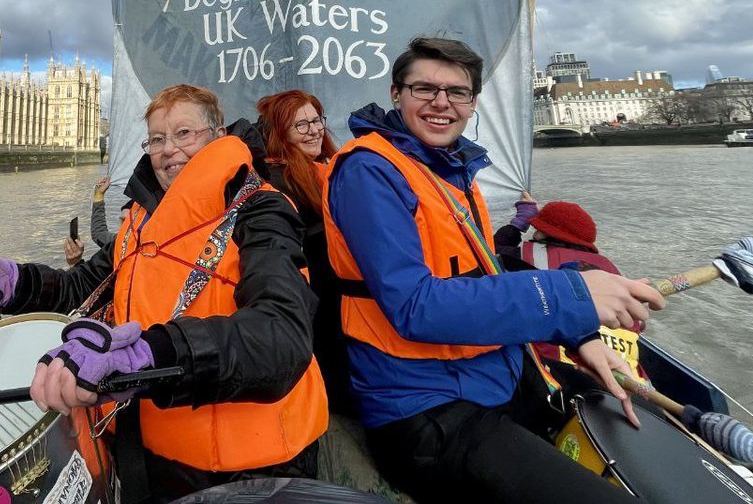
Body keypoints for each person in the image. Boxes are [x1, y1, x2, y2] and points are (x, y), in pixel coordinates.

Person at [322, 36, 666, 503]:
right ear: (395, 94)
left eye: (457, 92)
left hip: (490, 375)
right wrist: (574, 294)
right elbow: (415, 307)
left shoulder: (450, 170)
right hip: (424, 407)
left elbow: (484, 276)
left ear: (472, 102)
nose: (441, 103)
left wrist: (579, 334)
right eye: (423, 88)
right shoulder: (370, 173)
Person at [0, 84, 328, 503]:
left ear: (218, 135)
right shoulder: (139, 219)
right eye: (158, 139)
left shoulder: (262, 209)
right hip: (142, 449)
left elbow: (281, 335)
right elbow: (79, 284)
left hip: (251, 472)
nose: (169, 150)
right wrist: (14, 285)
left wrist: (148, 356)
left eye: (185, 133)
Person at [255, 90, 353, 415]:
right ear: (281, 134)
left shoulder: (323, 166)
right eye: (301, 125)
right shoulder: (281, 179)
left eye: (316, 120)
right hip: (318, 296)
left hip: (336, 292)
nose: (314, 130)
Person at [495, 197, 645, 375]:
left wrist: (519, 222)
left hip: (558, 367)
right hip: (628, 368)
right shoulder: (610, 267)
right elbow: (640, 324)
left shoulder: (525, 255)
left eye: (537, 230)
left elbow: (489, 251)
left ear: (544, 233)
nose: (534, 235)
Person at [62, 175, 123, 267]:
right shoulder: (121, 243)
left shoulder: (127, 244)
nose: (123, 225)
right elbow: (99, 234)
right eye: (122, 220)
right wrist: (99, 195)